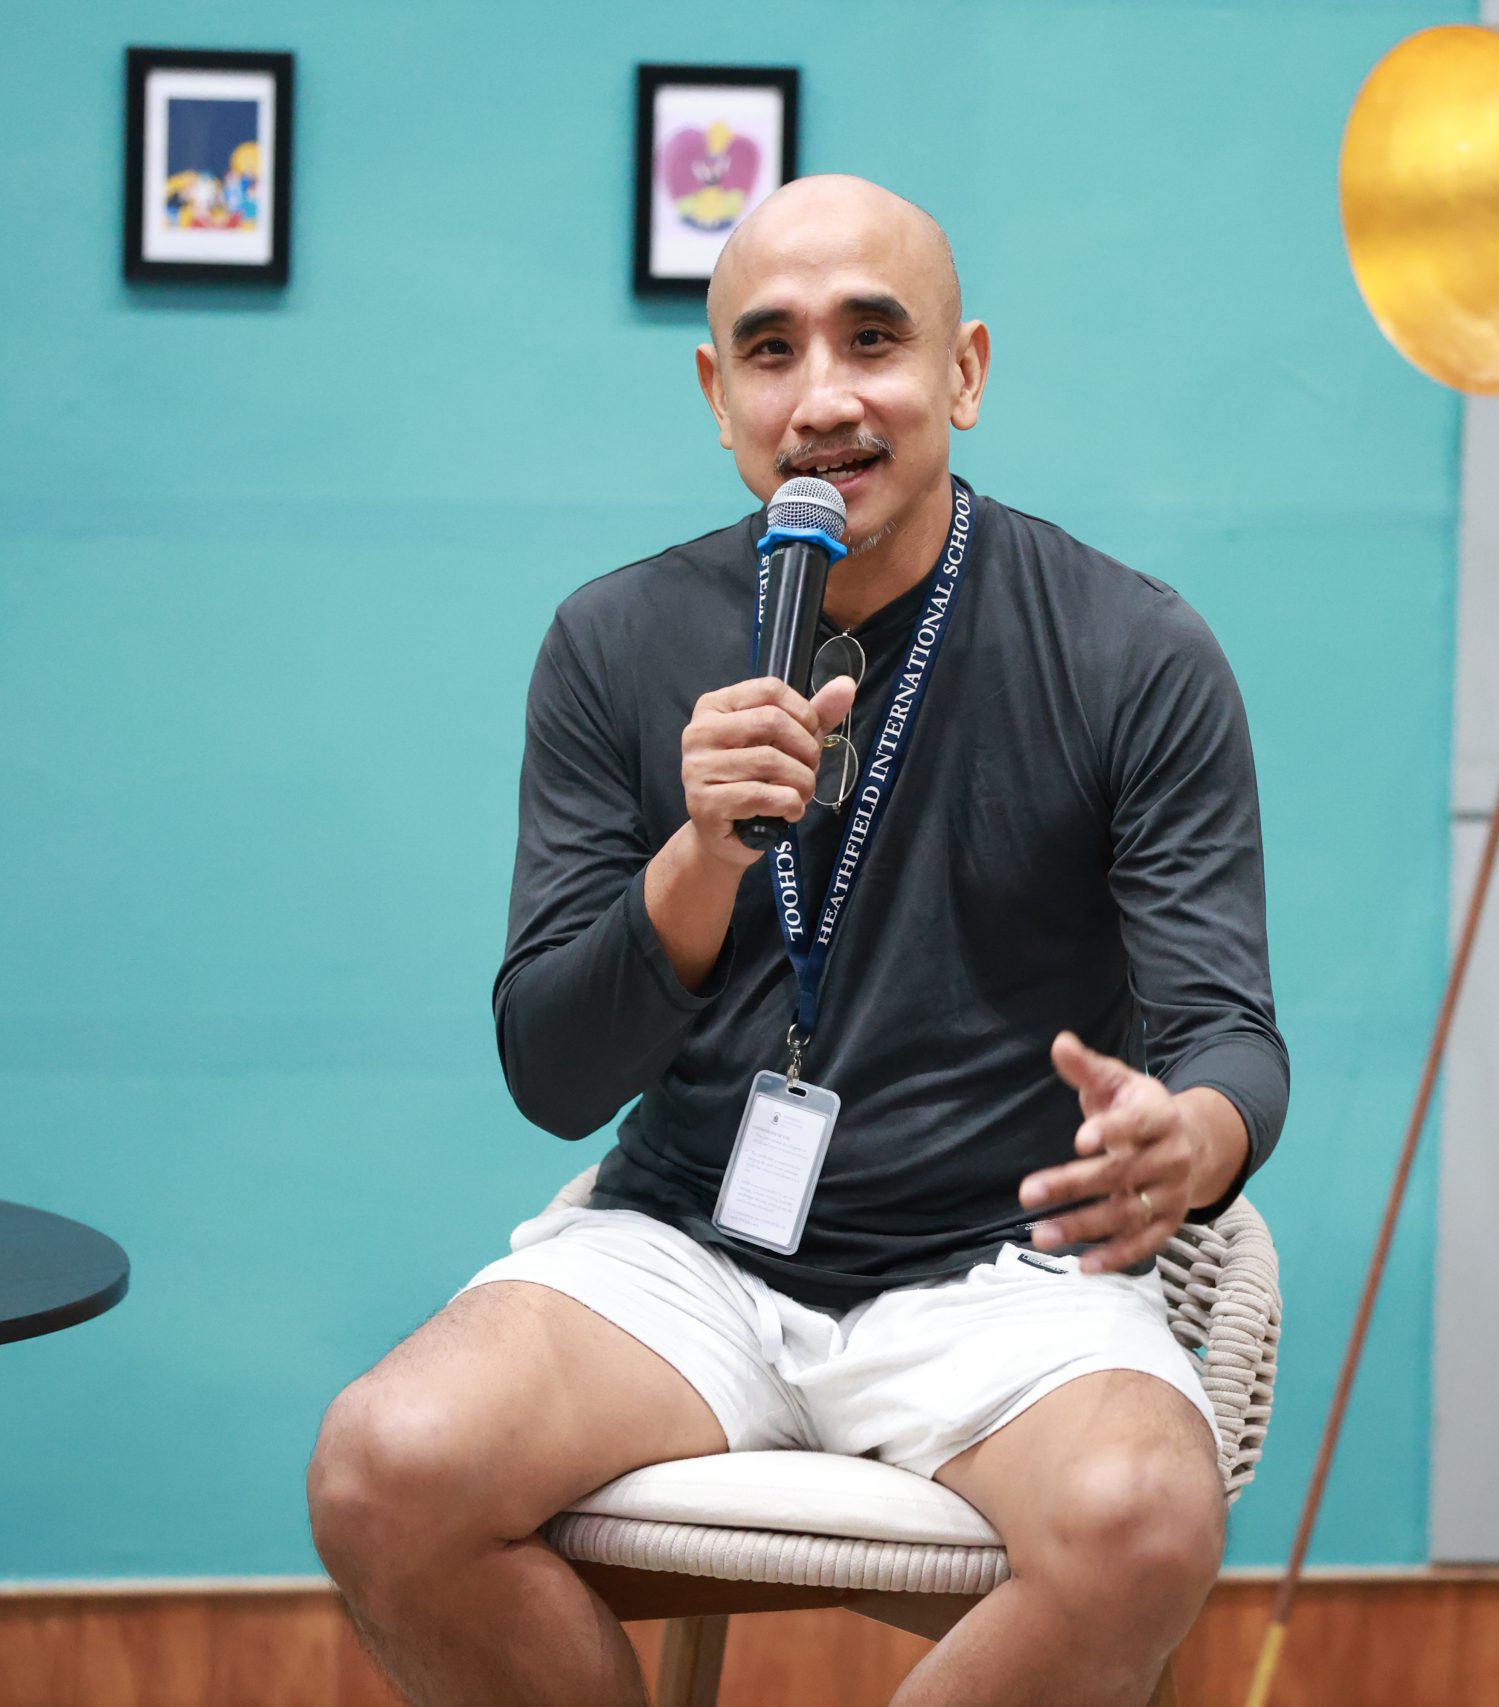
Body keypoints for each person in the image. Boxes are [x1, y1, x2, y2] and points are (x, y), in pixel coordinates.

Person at [306, 173, 1288, 1707]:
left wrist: (1193, 1138)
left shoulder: (1132, 650)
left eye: (873, 340)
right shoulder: (614, 641)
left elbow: (1230, 1033)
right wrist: (701, 854)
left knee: (1146, 1519)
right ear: (720, 397)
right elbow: (552, 1076)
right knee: (384, 1467)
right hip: (690, 1250)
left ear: (964, 370)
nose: (823, 397)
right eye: (772, 350)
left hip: (1002, 1272)